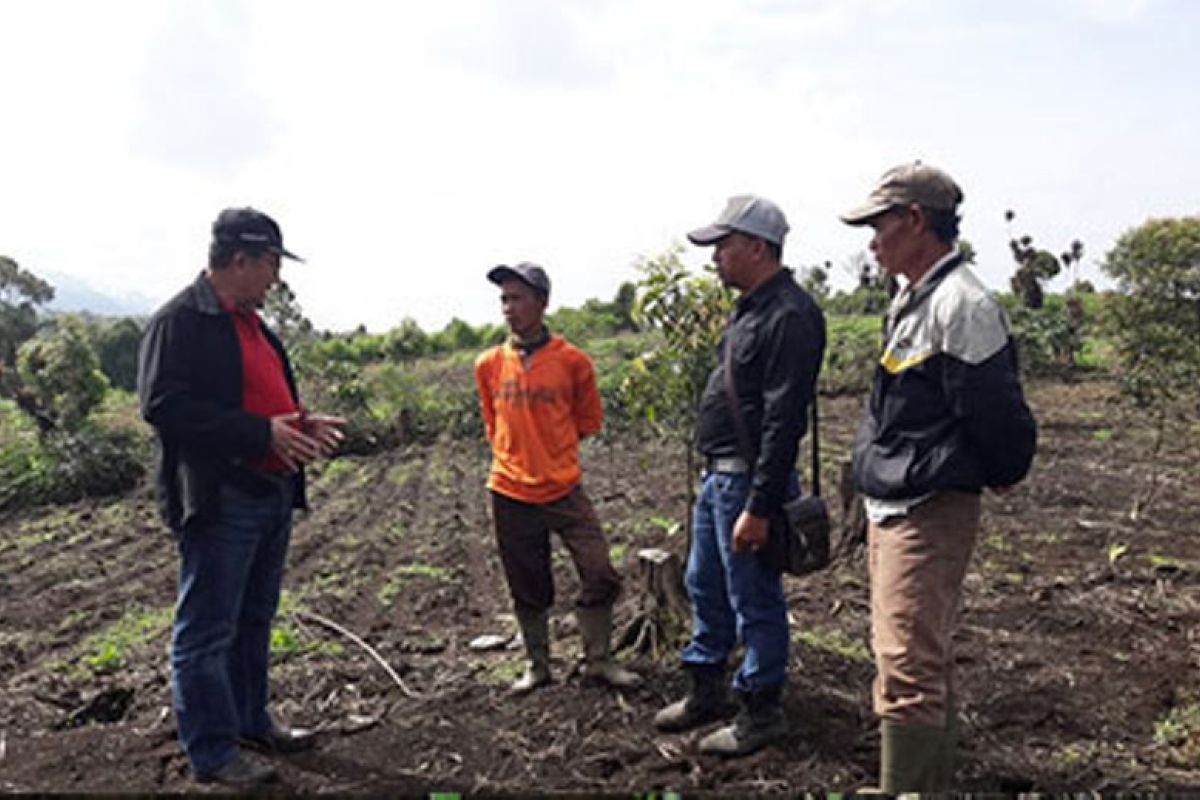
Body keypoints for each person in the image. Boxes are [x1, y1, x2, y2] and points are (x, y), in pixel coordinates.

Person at [840, 163, 1037, 792]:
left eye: (879, 224)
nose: (871, 241)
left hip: (927, 503)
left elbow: (996, 412)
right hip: (896, 499)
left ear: (916, 220)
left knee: (905, 663)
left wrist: (1004, 470)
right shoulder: (913, 297)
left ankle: (909, 789)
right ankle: (926, 783)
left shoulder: (962, 304)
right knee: (917, 654)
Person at [137, 208, 345, 787]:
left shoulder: (256, 325)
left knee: (256, 618)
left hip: (270, 491)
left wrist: (296, 423)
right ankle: (213, 752)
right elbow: (163, 407)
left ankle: (252, 723)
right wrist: (259, 434)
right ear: (240, 260)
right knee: (206, 629)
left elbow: (252, 400)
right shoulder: (180, 320)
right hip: (221, 499)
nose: (277, 278)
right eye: (272, 264)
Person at [654, 195, 826, 757]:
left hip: (748, 483)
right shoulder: (750, 308)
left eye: (723, 246)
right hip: (719, 481)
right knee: (705, 582)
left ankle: (761, 709)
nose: (715, 259)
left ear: (756, 246)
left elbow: (783, 420)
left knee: (754, 597)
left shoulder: (790, 315)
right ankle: (707, 689)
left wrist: (759, 505)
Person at [474, 262, 641, 695]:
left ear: (542, 303)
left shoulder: (573, 362)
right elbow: (493, 425)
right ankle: (537, 664)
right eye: (504, 299)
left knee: (600, 571)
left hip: (564, 488)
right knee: (527, 582)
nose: (509, 308)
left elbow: (586, 422)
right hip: (509, 490)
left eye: (518, 298)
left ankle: (599, 658)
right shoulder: (489, 364)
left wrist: (549, 454)